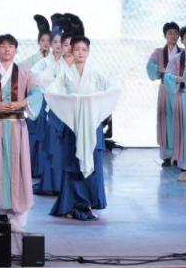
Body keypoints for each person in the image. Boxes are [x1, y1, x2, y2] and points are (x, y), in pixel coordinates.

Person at [0, 34, 43, 231]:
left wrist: (22, 102)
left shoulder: (26, 74)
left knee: (18, 166)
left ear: (16, 50)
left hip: (17, 126)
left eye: (10, 46)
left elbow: (37, 93)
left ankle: (19, 217)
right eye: (2, 46)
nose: (6, 49)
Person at [45, 34, 119, 221]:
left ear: (88, 52)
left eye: (83, 49)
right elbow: (51, 92)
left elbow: (114, 88)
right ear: (71, 50)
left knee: (92, 164)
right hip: (73, 125)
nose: (80, 53)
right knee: (73, 165)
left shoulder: (95, 73)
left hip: (92, 124)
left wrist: (96, 101)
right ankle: (71, 205)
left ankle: (87, 205)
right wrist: (69, 101)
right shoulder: (65, 74)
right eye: (76, 49)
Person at [32, 14, 67, 196]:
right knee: (50, 144)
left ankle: (62, 182)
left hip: (66, 107)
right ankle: (49, 181)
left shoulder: (68, 62)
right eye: (55, 42)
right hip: (50, 105)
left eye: (61, 42)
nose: (58, 46)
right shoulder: (44, 62)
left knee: (64, 146)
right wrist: (51, 84)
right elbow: (34, 76)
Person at [20, 15, 53, 178]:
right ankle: (33, 169)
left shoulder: (56, 59)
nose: (45, 43)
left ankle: (48, 170)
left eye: (49, 40)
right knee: (35, 132)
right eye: (42, 40)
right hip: (37, 100)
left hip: (53, 100)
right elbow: (20, 73)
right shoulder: (32, 60)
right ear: (39, 42)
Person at [165, 26, 186, 182]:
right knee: (184, 132)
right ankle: (185, 167)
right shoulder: (176, 59)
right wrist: (184, 79)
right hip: (183, 97)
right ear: (182, 40)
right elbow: (168, 77)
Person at [147, 22, 182, 167]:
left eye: (176, 33)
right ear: (165, 35)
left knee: (179, 120)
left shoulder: (183, 52)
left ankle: (178, 155)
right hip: (165, 89)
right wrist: (163, 69)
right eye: (170, 33)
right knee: (165, 120)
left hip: (179, 90)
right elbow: (150, 66)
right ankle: (167, 156)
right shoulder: (158, 52)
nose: (173, 36)